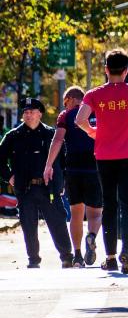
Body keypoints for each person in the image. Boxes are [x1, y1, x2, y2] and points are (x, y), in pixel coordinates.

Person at [75, 50, 128, 274]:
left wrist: (93, 131)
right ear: (127, 70)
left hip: (104, 157)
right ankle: (126, 252)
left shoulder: (94, 94)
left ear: (106, 69)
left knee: (109, 205)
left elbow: (79, 119)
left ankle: (110, 257)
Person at [1, 98, 74, 268]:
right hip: (25, 188)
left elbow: (64, 161)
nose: (28, 115)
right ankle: (33, 259)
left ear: (40, 113)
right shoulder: (13, 136)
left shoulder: (51, 134)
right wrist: (10, 177)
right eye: (25, 112)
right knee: (28, 225)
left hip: (48, 187)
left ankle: (66, 257)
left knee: (57, 222)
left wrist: (62, 183)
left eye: (32, 111)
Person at [43, 86, 102, 267]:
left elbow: (58, 139)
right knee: (95, 213)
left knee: (76, 213)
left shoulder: (65, 116)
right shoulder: (97, 112)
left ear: (69, 99)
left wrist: (48, 164)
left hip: (74, 170)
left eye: (64, 103)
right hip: (95, 169)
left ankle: (77, 256)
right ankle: (91, 236)